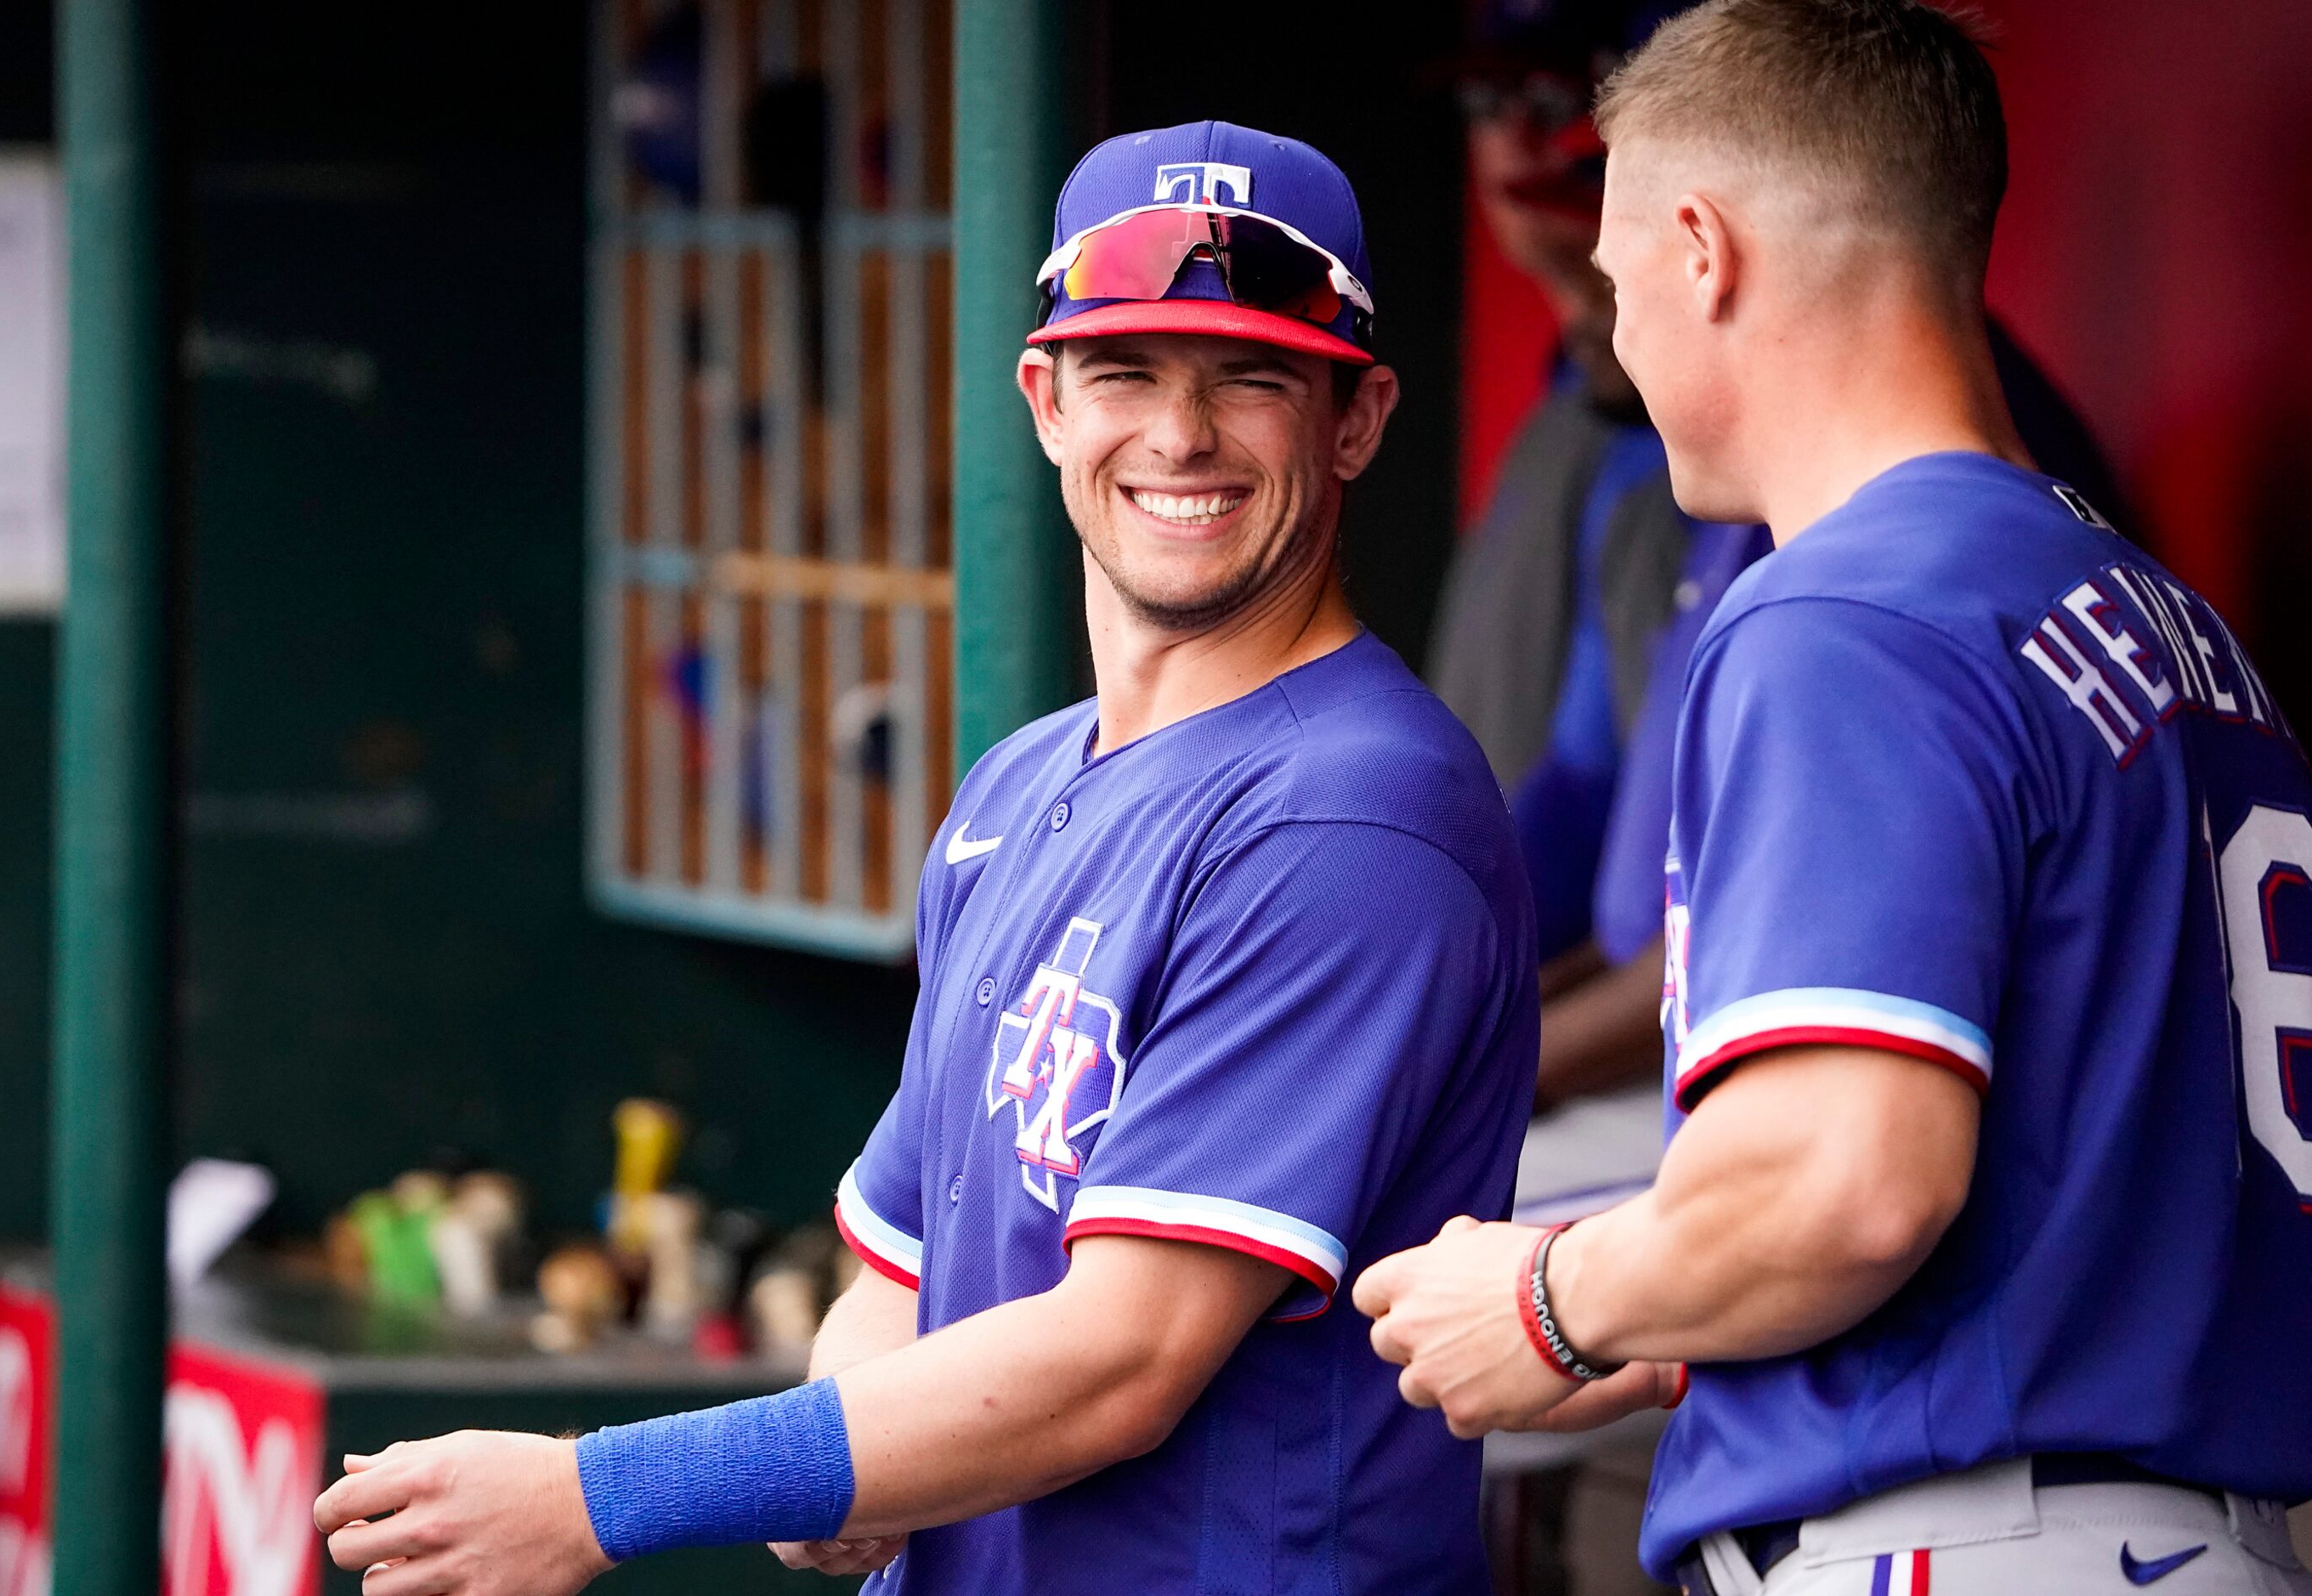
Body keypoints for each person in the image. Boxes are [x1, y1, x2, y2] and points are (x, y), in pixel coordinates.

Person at [313, 121, 1538, 1595]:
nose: (1181, 435)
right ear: (1045, 400)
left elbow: (1124, 1357)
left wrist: (603, 1491)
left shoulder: (1351, 817)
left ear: (1357, 419)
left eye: (1253, 379)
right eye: (1126, 372)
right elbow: (902, 1263)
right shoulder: (1017, 785)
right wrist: (839, 1461)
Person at [1357, 3, 2312, 1594]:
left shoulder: (1849, 611)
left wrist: (1549, 1296)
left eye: (1616, 280)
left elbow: (1848, 1178)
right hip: (2178, 1529)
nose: (1618, 331)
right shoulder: (2172, 626)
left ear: (1701, 250)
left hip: (1968, 1534)